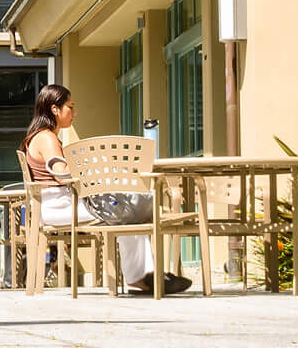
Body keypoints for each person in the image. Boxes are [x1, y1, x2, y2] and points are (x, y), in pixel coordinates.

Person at [22, 84, 188, 296]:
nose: (74, 112)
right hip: (61, 206)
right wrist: (90, 165)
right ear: (55, 109)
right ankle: (142, 277)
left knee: (129, 211)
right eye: (70, 107)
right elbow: (60, 172)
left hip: (60, 204)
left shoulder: (41, 136)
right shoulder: (46, 137)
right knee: (131, 210)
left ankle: (144, 276)